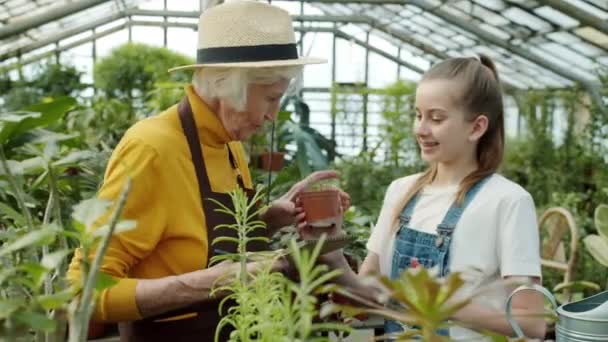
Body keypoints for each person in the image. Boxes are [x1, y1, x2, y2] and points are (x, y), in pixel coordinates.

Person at [67, 1, 349, 341]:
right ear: (230, 85)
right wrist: (206, 283)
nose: (274, 114)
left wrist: (265, 220)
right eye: (271, 98)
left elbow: (194, 242)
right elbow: (85, 292)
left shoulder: (228, 145)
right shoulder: (153, 149)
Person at [300, 55, 546, 340]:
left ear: (477, 127)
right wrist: (329, 251)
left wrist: (443, 307)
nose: (421, 129)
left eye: (436, 118)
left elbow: (531, 323)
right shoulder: (401, 191)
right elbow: (367, 297)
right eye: (418, 115)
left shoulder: (508, 201)